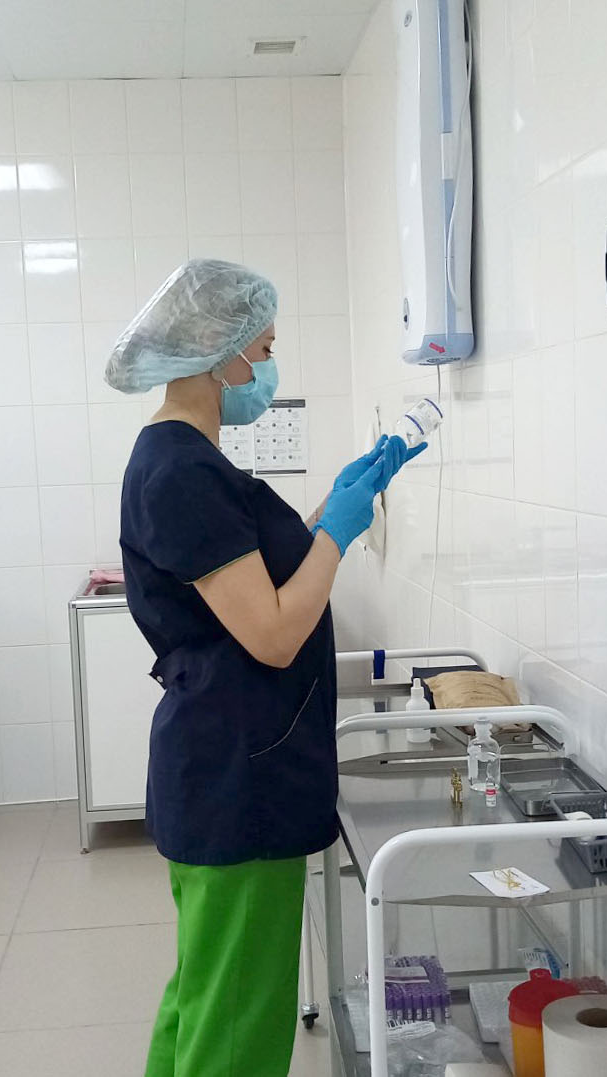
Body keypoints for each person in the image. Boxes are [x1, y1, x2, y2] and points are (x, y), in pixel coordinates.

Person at [105, 259, 425, 1077]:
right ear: (220, 353)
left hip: (223, 765)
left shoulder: (183, 458)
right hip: (238, 778)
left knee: (206, 997)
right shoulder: (183, 470)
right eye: (266, 347)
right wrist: (338, 537)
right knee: (238, 1024)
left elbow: (258, 577)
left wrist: (336, 505)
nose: (269, 369)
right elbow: (275, 632)